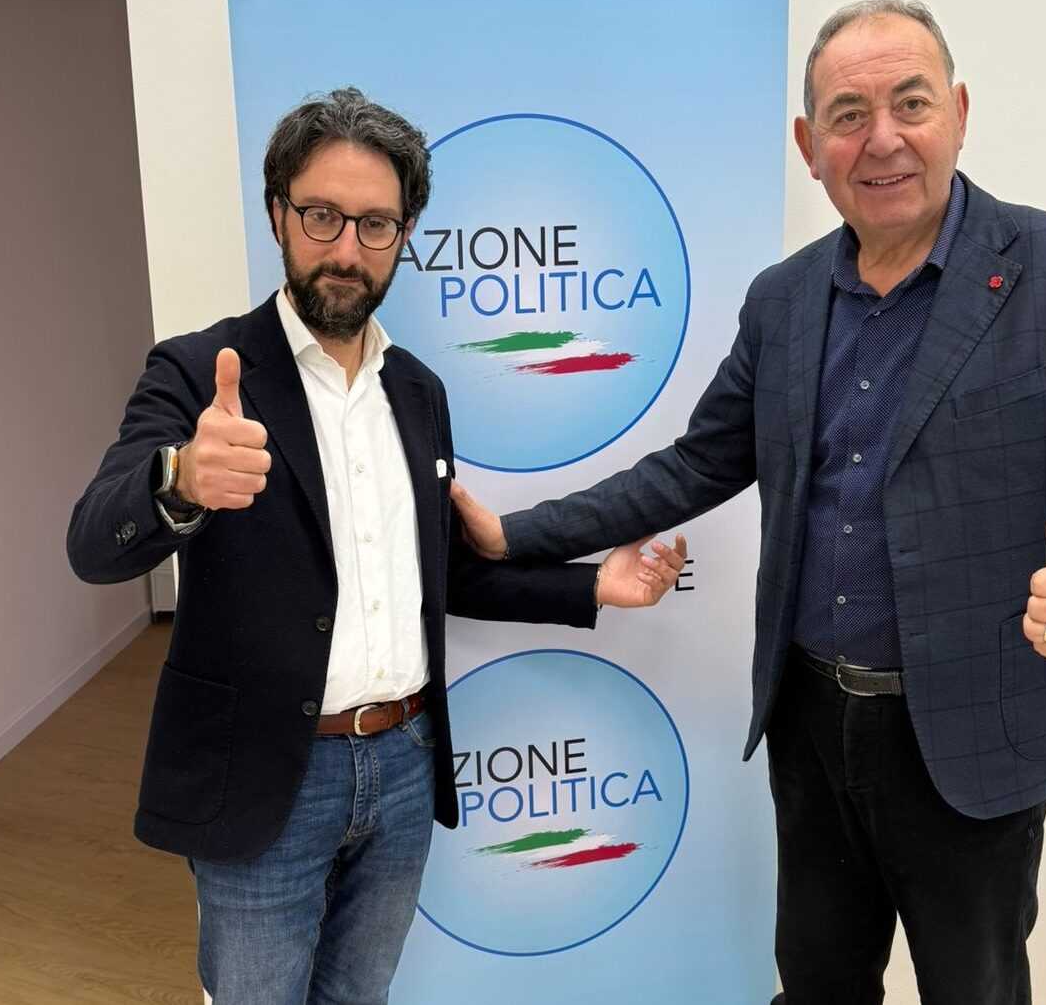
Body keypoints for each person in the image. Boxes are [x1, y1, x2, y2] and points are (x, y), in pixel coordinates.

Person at [450, 0, 1046, 1004]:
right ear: (810, 147)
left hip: (975, 735)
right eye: (848, 115)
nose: (881, 138)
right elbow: (697, 465)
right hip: (808, 724)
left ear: (960, 113)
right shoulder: (784, 298)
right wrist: (517, 534)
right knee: (814, 987)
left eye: (910, 104)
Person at [66, 87, 687, 1005]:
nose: (347, 250)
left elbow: (445, 576)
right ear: (278, 214)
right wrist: (181, 481)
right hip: (265, 775)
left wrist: (596, 586)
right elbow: (94, 544)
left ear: (406, 235)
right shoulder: (199, 372)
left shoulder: (419, 391)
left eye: (376, 225)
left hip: (402, 763)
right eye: (322, 216)